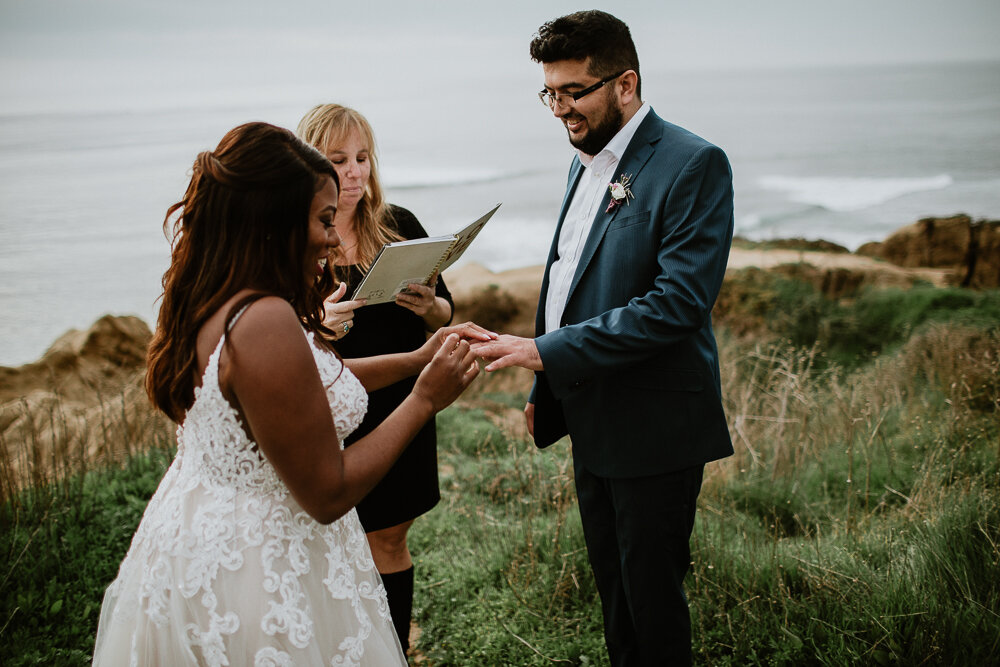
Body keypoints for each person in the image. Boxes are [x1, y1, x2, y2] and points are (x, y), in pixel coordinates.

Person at [92, 121, 490, 665]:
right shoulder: (265, 321)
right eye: (324, 220)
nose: (333, 236)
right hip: (259, 573)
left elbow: (314, 380)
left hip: (199, 537)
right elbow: (328, 493)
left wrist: (419, 359)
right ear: (277, 222)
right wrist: (425, 396)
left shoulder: (217, 294)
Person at [471, 11, 735, 666]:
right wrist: (546, 384)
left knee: (653, 605)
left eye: (573, 92)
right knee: (615, 599)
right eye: (549, 94)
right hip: (591, 419)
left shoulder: (693, 163)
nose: (560, 109)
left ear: (625, 83)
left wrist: (544, 353)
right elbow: (568, 280)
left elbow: (677, 304)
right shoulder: (582, 161)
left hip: (655, 427)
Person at [296, 103, 454, 655]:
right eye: (339, 159)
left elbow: (445, 311)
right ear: (311, 163)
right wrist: (319, 327)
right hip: (331, 413)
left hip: (404, 405)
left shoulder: (399, 225)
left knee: (388, 537)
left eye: (363, 157)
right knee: (332, 543)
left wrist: (429, 304)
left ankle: (392, 652)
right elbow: (279, 346)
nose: (356, 171)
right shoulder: (293, 244)